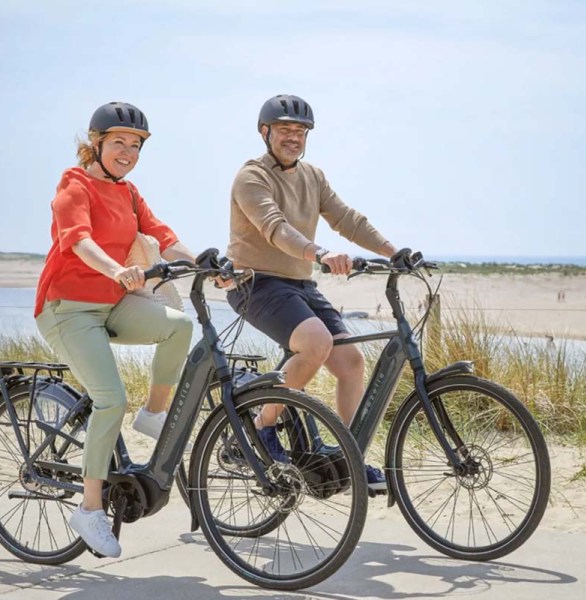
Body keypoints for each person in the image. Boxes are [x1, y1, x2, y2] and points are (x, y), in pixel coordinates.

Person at [34, 102, 196, 557]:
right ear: (97, 143)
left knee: (179, 328)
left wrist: (203, 264)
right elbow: (78, 238)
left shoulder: (127, 193)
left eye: (136, 145)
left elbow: (160, 232)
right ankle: (89, 509)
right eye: (119, 142)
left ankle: (154, 413)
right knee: (110, 400)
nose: (128, 151)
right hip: (68, 309)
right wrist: (115, 270)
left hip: (112, 306)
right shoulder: (74, 183)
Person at [226, 94, 397, 493]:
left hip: (299, 284)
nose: (293, 137)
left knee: (351, 362)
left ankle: (350, 456)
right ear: (264, 132)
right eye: (285, 129)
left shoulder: (313, 176)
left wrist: (395, 252)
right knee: (315, 343)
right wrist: (319, 253)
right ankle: (262, 428)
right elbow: (275, 227)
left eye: (300, 131)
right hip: (256, 283)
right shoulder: (251, 177)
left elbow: (345, 218)